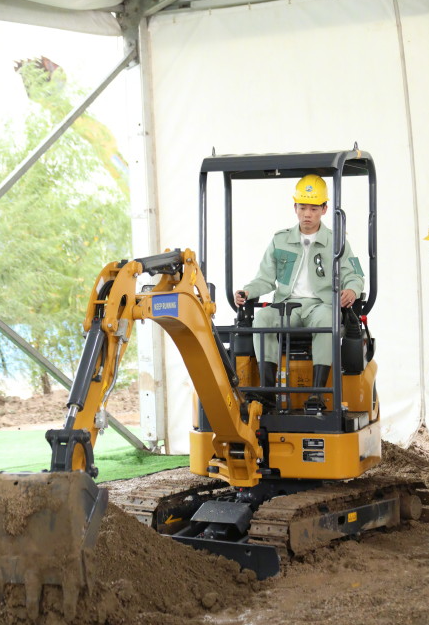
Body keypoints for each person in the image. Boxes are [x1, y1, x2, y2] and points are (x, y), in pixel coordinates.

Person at [234, 174, 364, 413]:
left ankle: (317, 393)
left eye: (314, 208)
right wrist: (248, 290)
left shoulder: (337, 242)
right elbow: (264, 279)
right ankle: (268, 392)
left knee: (328, 318)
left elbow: (355, 275)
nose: (307, 214)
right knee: (262, 318)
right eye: (302, 207)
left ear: (324, 209)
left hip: (320, 305)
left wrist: (351, 290)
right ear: (294, 207)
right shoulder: (280, 241)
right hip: (288, 306)